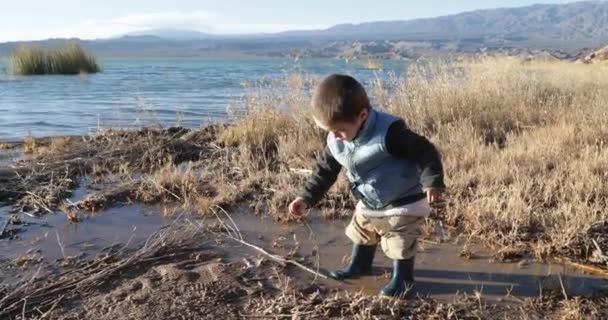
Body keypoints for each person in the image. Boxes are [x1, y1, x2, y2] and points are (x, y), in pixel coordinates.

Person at [288, 74, 445, 297]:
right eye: (329, 131)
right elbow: (324, 171)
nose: (335, 137)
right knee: (362, 230)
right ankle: (360, 265)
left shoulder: (389, 133)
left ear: (362, 116)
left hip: (403, 199)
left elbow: (425, 152)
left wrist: (432, 182)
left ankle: (403, 279)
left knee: (399, 238)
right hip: (369, 198)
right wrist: (306, 198)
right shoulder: (336, 138)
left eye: (339, 131)